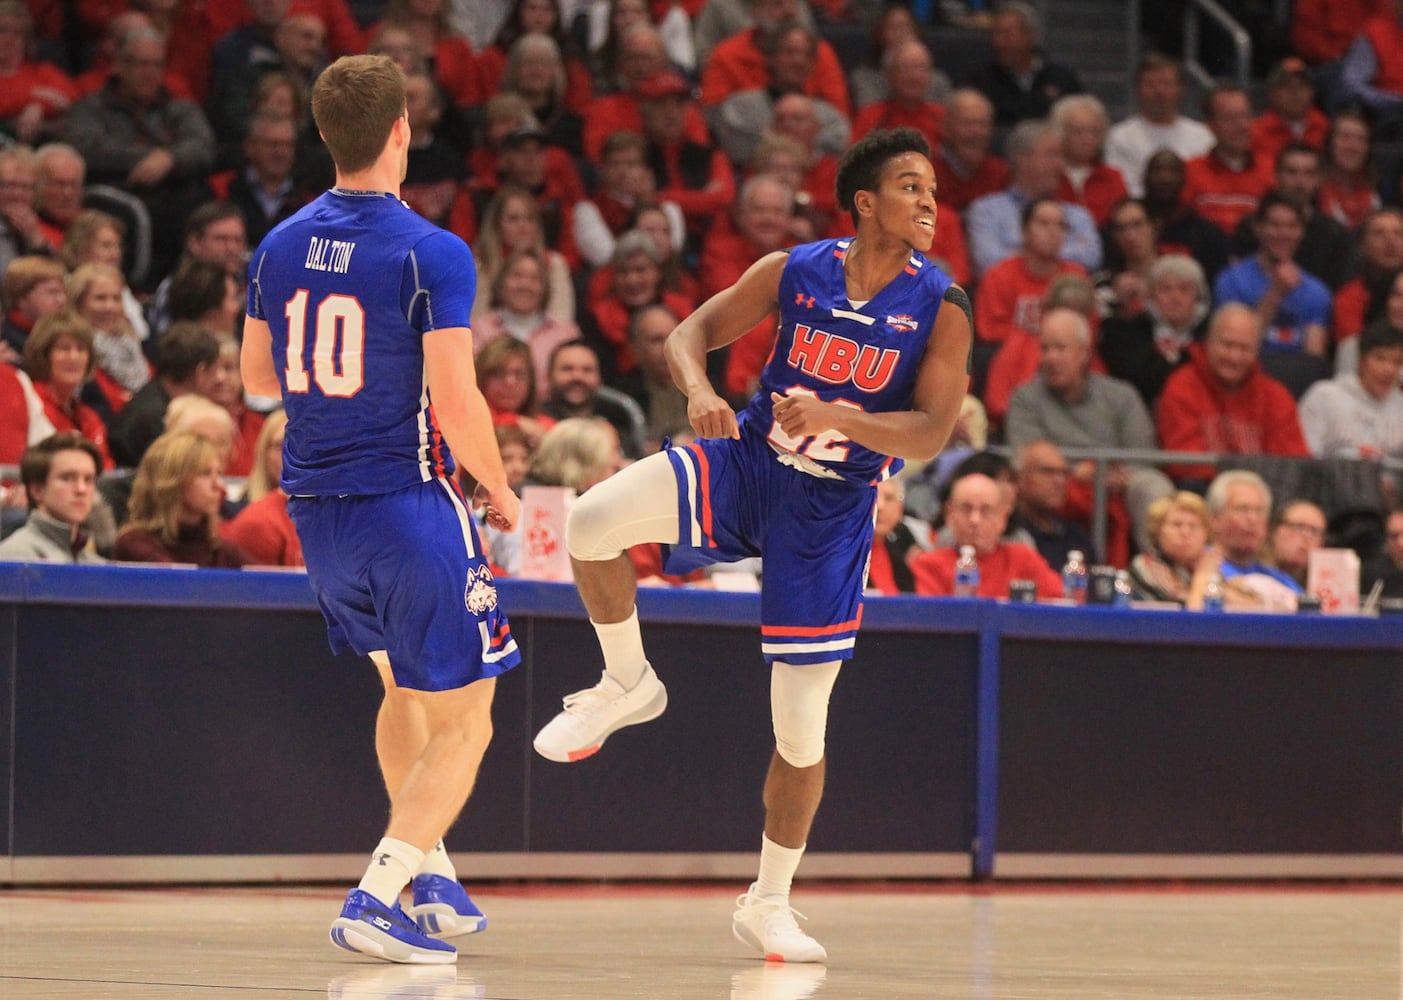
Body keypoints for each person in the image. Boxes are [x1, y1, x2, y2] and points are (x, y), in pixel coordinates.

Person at [531, 127, 972, 962]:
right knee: (589, 523)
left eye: (933, 192)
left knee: (801, 730)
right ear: (865, 202)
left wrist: (841, 417)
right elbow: (684, 335)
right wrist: (700, 392)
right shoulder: (794, 269)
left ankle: (768, 901)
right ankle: (626, 682)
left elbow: (931, 433)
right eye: (911, 187)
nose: (927, 203)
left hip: (832, 510)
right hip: (748, 461)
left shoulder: (941, 304)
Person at [239, 53, 522, 966]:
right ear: (402, 130)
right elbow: (456, 398)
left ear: (324, 135)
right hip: (406, 502)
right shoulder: (430, 250)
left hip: (317, 511)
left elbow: (253, 382)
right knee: (470, 716)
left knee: (401, 688)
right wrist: (499, 483)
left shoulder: (278, 245)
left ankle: (429, 866)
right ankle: (377, 887)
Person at [1156, 304, 1311, 487]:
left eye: (1244, 348)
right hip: (1204, 491)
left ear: (1257, 351)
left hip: (1263, 492)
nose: (1234, 357)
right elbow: (1183, 461)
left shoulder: (1276, 395)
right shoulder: (1182, 385)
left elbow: (1293, 462)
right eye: (1227, 345)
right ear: (1208, 342)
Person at [910, 470, 1063, 599]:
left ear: (1003, 517)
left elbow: (1062, 604)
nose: (975, 520)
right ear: (950, 514)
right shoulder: (926, 565)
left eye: (986, 510)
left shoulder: (1023, 559)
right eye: (966, 508)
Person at [113, 430, 247, 568]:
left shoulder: (221, 548)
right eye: (205, 473)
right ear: (172, 481)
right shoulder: (134, 543)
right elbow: (181, 585)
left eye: (219, 473)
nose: (219, 485)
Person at [1103, 52, 1213, 199]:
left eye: (1166, 83)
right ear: (1138, 88)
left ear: (1180, 89)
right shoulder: (1119, 137)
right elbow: (1124, 189)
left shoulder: (1203, 137)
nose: (1159, 92)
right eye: (1151, 84)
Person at [1298, 320, 1403, 465]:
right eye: (1380, 358)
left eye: (1397, 362)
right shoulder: (1324, 396)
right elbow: (1303, 458)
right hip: (1332, 483)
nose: (1388, 370)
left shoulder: (1400, 406)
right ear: (1361, 361)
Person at [0, 432, 105, 564]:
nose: (81, 489)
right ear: (37, 490)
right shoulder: (14, 557)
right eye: (67, 478)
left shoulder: (95, 564)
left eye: (88, 479)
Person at [1011, 439, 1097, 572]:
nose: (1059, 481)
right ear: (1019, 478)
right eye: (1047, 472)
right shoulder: (1007, 535)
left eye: (1064, 473)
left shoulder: (1078, 539)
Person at [1127, 491, 1213, 605]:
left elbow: (1239, 604)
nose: (1185, 532)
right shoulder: (1145, 565)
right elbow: (1190, 613)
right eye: (1176, 524)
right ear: (1157, 531)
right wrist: (1202, 576)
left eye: (1194, 526)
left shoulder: (1205, 564)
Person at [1267, 499, 1328, 588]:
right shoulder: (1252, 572)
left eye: (1314, 532)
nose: (1306, 537)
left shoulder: (1322, 589)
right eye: (1298, 527)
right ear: (1274, 531)